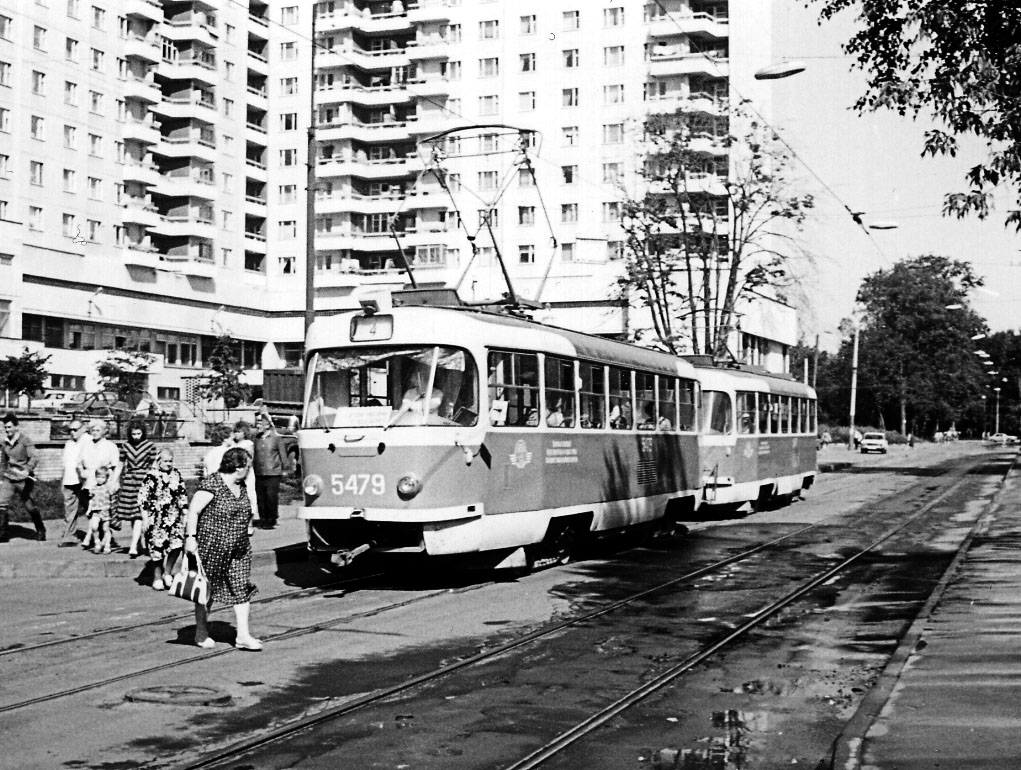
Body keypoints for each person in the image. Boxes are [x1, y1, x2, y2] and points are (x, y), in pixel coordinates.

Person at [184, 447, 262, 651]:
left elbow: (244, 508)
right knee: (206, 590)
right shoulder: (212, 484)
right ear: (238, 468)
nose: (249, 471)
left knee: (241, 588)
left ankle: (243, 636)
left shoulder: (240, 484)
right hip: (212, 547)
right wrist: (191, 538)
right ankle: (201, 631)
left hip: (239, 548)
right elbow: (193, 511)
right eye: (247, 467)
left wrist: (248, 525)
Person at [139, 448, 188, 591]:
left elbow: (182, 494)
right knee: (157, 549)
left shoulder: (176, 474)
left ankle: (168, 572)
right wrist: (145, 519)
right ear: (158, 461)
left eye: (170, 461)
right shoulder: (151, 476)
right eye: (165, 461)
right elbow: (143, 499)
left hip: (174, 517)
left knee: (177, 545)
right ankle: (157, 577)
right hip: (157, 519)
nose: (168, 463)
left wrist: (185, 514)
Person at [0, 413, 44, 542]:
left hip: (24, 478)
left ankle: (41, 530)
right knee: (1, 503)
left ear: (16, 427)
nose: (7, 430)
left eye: (9, 427)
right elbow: (3, 461)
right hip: (9, 477)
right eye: (5, 428)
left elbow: (34, 457)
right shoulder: (4, 443)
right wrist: (1, 476)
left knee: (29, 506)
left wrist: (27, 469)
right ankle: (2, 534)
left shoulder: (25, 441)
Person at [117, 420, 157, 557]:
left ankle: (134, 546)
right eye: (133, 434)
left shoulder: (150, 446)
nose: (136, 437)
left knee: (141, 514)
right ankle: (140, 543)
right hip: (129, 480)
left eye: (139, 433)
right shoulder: (125, 446)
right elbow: (120, 464)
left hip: (144, 480)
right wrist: (113, 480)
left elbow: (154, 465)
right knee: (134, 515)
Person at [203, 421, 258, 515]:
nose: (234, 440)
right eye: (231, 438)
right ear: (225, 439)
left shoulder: (210, 453)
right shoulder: (228, 453)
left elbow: (205, 470)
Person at [253, 412, 291, 529]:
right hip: (259, 472)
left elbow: (282, 454)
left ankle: (272, 518)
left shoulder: (276, 439)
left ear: (267, 425)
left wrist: (285, 468)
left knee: (270, 496)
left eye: (260, 423)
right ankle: (263, 518)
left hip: (273, 472)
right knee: (261, 497)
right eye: (257, 423)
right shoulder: (257, 439)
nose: (258, 425)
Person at [57, 419, 92, 546]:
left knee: (92, 508)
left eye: (75, 429)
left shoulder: (89, 441)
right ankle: (69, 536)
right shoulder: (69, 444)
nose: (72, 433)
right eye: (70, 430)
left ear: (83, 429)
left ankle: (100, 534)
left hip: (84, 481)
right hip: (69, 480)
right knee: (70, 510)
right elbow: (65, 464)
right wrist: (63, 480)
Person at [84, 465, 116, 554]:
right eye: (98, 477)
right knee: (94, 526)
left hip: (105, 510)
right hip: (95, 510)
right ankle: (97, 542)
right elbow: (91, 499)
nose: (100, 479)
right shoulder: (93, 488)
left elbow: (113, 498)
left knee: (106, 528)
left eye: (102, 477)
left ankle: (107, 545)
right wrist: (89, 510)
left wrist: (113, 510)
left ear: (106, 478)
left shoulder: (108, 487)